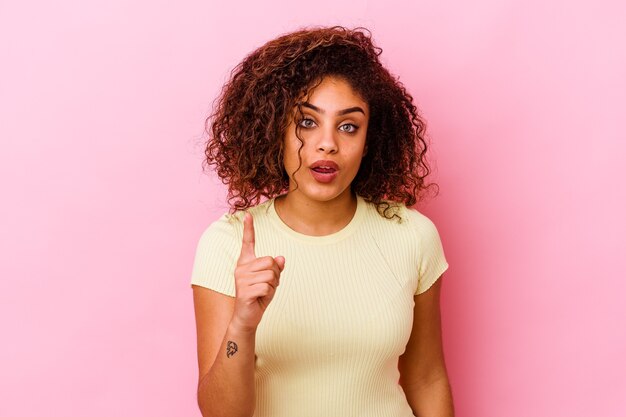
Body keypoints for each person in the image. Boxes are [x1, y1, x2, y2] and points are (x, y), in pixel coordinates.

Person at [190, 26, 454, 417]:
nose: (327, 143)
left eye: (349, 126)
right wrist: (241, 326)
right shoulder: (226, 243)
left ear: (369, 141)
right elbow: (220, 413)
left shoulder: (411, 235)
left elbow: (426, 377)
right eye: (307, 122)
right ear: (273, 129)